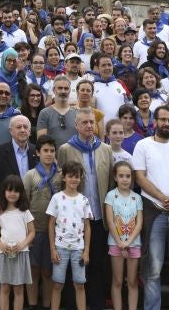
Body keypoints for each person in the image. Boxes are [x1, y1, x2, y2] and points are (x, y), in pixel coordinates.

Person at [133, 105, 169, 310]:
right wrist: (166, 199)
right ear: (154, 122)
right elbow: (139, 177)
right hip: (155, 212)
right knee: (153, 270)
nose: (166, 123)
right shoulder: (142, 145)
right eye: (163, 120)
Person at [57, 108, 113, 310]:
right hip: (73, 220)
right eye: (85, 123)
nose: (90, 126)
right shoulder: (65, 149)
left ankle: (96, 304)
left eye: (92, 122)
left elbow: (111, 185)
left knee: (98, 264)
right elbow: (60, 182)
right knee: (74, 266)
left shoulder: (105, 149)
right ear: (76, 125)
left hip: (98, 218)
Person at [47, 160, 92, 310]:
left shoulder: (84, 200)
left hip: (78, 249)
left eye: (77, 176)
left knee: (79, 284)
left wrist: (86, 251)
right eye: (70, 176)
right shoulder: (56, 198)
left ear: (80, 179)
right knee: (58, 284)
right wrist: (53, 249)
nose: (74, 179)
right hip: (60, 248)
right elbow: (51, 224)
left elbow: (87, 227)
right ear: (64, 177)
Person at [24, 135, 60, 310]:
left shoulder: (61, 175)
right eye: (45, 151)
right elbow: (23, 203)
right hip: (34, 229)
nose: (49, 154)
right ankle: (32, 304)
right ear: (37, 153)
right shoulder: (30, 175)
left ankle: (47, 305)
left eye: (52, 151)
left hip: (55, 232)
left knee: (48, 271)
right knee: (34, 269)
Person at [0, 174, 35, 310]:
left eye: (16, 190)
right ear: (4, 191)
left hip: (20, 254)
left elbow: (32, 232)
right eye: (9, 190)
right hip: (3, 254)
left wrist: (23, 244)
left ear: (21, 193)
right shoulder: (0, 212)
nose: (12, 194)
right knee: (4, 288)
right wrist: (0, 244)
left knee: (18, 289)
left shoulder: (25, 212)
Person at [105, 160, 143, 310]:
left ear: (132, 178)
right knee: (118, 280)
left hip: (134, 243)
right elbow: (110, 221)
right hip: (116, 244)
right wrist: (120, 242)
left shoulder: (137, 198)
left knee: (132, 281)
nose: (125, 179)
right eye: (121, 176)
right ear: (115, 177)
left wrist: (129, 242)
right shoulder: (110, 196)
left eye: (128, 176)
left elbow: (139, 223)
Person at [0, 115, 38, 211]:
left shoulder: (37, 151)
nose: (23, 130)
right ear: (11, 131)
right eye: (19, 127)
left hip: (32, 209)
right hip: (5, 209)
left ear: (30, 131)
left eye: (25, 127)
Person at [36, 76, 77, 148]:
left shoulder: (77, 113)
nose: (63, 91)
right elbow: (41, 142)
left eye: (66, 88)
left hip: (74, 157)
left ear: (70, 90)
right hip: (52, 157)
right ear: (54, 90)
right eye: (60, 88)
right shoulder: (45, 113)